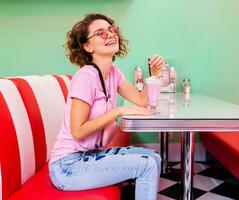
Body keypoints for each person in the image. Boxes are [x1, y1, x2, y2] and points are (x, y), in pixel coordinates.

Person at [49, 13, 165, 200]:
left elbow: (142, 101)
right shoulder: (86, 77)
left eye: (112, 29)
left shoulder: (113, 72)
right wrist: (118, 111)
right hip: (67, 166)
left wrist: (155, 73)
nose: (110, 34)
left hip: (90, 155)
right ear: (87, 46)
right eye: (101, 33)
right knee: (147, 165)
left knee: (155, 157)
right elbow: (77, 131)